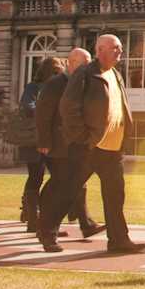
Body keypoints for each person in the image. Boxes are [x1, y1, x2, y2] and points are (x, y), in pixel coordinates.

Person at [52, 34, 144, 254]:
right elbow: (68, 106)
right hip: (89, 147)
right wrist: (83, 137)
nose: (120, 52)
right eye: (116, 48)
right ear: (100, 49)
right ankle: (47, 232)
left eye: (121, 48)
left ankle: (119, 240)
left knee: (115, 195)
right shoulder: (85, 73)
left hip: (112, 149)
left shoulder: (116, 75)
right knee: (68, 190)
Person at [35, 48, 103, 249]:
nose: (87, 67)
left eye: (89, 63)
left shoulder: (83, 82)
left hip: (76, 144)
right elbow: (43, 113)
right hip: (57, 146)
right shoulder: (56, 84)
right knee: (63, 186)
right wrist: (44, 141)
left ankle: (83, 223)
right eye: (83, 63)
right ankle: (46, 228)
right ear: (70, 63)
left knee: (70, 184)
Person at [19, 57, 64, 233]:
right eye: (56, 71)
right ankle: (32, 219)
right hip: (34, 139)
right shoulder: (33, 87)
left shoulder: (59, 88)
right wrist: (47, 112)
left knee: (59, 177)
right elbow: (27, 106)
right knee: (36, 176)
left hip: (53, 139)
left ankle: (41, 217)